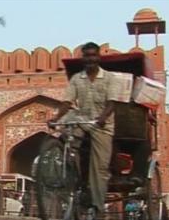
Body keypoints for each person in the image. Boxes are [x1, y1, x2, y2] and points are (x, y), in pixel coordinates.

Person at [49, 42, 118, 219]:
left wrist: (103, 117)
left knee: (99, 168)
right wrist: (56, 118)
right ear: (83, 58)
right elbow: (67, 102)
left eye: (93, 55)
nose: (90, 59)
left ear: (98, 57)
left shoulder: (109, 78)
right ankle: (70, 164)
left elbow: (112, 103)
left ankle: (98, 206)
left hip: (101, 125)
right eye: (86, 56)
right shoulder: (76, 79)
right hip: (81, 120)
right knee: (67, 128)